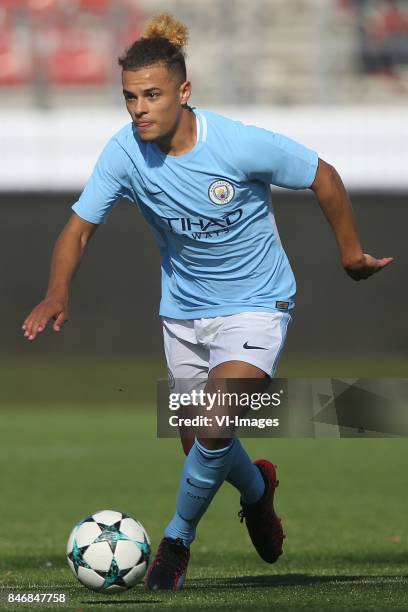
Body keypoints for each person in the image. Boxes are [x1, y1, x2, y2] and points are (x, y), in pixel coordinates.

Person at [22, 14, 393, 592]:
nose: (139, 109)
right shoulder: (124, 153)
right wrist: (56, 290)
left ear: (184, 92)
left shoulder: (237, 143)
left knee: (217, 418)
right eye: (130, 98)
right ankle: (257, 490)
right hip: (183, 315)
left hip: (257, 304)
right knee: (200, 438)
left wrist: (350, 255)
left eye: (152, 95)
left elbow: (323, 174)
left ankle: (176, 543)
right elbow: (77, 229)